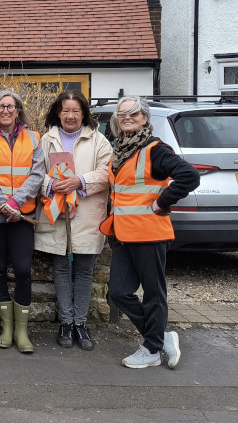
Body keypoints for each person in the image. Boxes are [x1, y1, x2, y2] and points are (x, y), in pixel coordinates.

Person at [101, 96, 199, 369]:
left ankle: (152, 349)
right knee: (118, 293)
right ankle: (160, 337)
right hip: (122, 235)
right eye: (122, 115)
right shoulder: (119, 150)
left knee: (154, 293)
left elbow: (189, 176)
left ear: (145, 118)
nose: (127, 118)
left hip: (150, 233)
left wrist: (162, 202)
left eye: (134, 113)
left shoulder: (155, 149)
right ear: (116, 121)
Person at [34, 91, 112, 351]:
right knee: (59, 268)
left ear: (84, 114)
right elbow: (35, 172)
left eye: (76, 111)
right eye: (65, 110)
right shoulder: (47, 140)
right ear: (58, 112)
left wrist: (80, 181)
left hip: (88, 213)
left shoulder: (99, 141)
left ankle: (80, 323)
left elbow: (106, 172)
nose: (70, 115)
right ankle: (65, 322)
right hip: (57, 212)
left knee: (84, 269)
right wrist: (52, 184)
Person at [0, 91, 44, 353]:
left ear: (18, 110)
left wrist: (16, 202)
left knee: (24, 269)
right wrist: (3, 204)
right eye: (1, 106)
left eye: (10, 106)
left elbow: (38, 173)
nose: (5, 110)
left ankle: (22, 331)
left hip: (23, 215)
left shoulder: (34, 137)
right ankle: (7, 328)